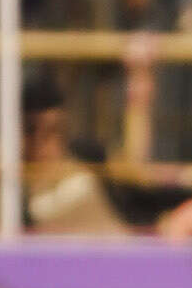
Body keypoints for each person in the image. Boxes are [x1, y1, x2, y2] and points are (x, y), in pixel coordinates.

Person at [21, 87, 126, 236]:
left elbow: (40, 213)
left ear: (64, 132)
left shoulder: (79, 184)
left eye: (52, 131)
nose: (40, 143)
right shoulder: (17, 180)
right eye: (30, 130)